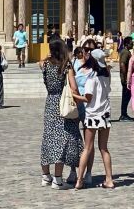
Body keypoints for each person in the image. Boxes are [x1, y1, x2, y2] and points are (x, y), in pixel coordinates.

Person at [39, 38, 83, 189]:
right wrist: (78, 101)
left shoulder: (44, 64)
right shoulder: (66, 65)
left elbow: (42, 60)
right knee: (62, 140)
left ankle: (46, 176)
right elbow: (74, 87)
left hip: (50, 101)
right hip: (62, 102)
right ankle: (57, 179)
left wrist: (48, 55)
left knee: (48, 137)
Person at [73, 49, 115, 190]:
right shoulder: (106, 77)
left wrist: (74, 96)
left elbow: (87, 98)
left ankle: (79, 180)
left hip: (92, 115)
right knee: (104, 148)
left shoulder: (92, 78)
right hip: (105, 114)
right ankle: (109, 179)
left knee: (87, 148)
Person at [117, 37, 134, 122]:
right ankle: (123, 114)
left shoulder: (126, 52)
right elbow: (122, 64)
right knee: (125, 97)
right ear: (127, 43)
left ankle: (124, 114)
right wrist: (126, 76)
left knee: (127, 96)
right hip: (125, 79)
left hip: (126, 78)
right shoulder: (125, 52)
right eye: (131, 43)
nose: (132, 44)